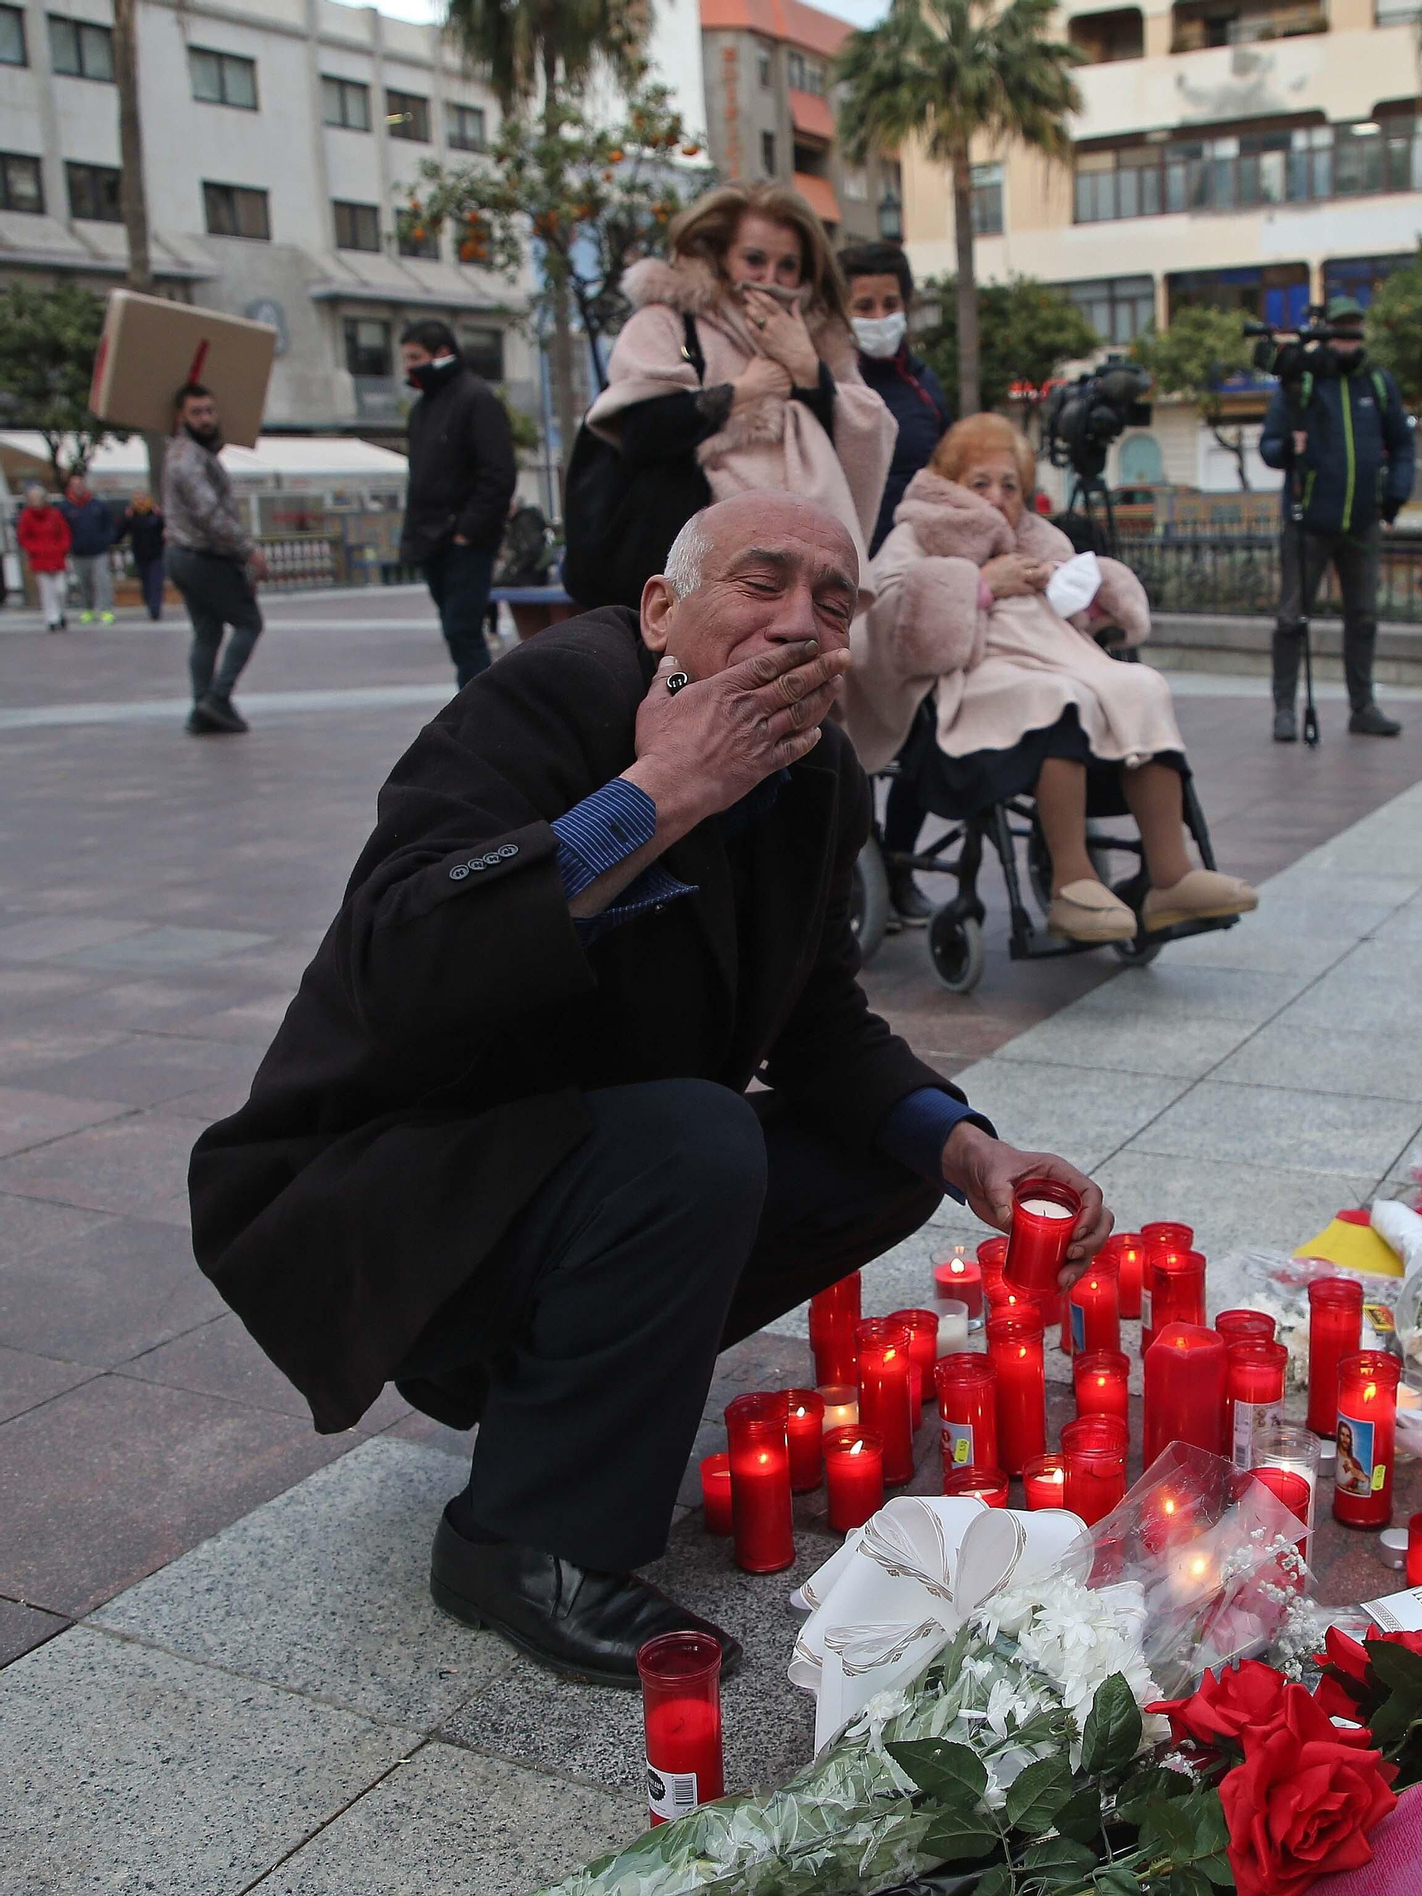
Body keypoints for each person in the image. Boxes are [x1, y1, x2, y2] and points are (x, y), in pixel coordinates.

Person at [188, 490, 1113, 1686]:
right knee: (694, 1138)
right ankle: (520, 1540)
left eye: (832, 606)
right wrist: (663, 788)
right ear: (664, 611)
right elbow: (401, 953)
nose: (796, 625)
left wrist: (967, 1152)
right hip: (386, 1185)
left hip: (574, 1163)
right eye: (760, 584)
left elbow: (817, 1015)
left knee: (871, 1163)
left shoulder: (818, 770)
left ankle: (562, 1382)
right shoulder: (550, 697)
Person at [849, 414, 1258, 945]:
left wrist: (1091, 590)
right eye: (981, 483)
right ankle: (1072, 881)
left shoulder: (1038, 537)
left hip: (1064, 664)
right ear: (952, 485)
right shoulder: (919, 532)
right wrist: (977, 584)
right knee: (1056, 699)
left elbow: (1087, 610)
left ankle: (1171, 876)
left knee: (1141, 686)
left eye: (1010, 485)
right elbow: (882, 620)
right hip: (973, 682)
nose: (997, 496)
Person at [584, 181, 895, 591]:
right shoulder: (668, 321)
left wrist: (807, 369)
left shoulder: (821, 338)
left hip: (801, 564)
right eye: (754, 260)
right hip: (691, 567)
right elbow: (640, 429)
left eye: (788, 265)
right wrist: (740, 391)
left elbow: (866, 433)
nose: (770, 278)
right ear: (720, 256)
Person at [838, 240, 952, 931]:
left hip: (916, 581)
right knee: (852, 741)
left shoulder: (924, 385)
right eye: (864, 306)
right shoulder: (834, 383)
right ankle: (865, 869)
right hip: (849, 586)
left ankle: (900, 867)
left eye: (889, 303)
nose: (880, 317)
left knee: (921, 729)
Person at [1259, 296, 1415, 742]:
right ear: (1326, 333)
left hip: (1362, 520)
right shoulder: (1301, 385)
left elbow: (1402, 443)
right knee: (1291, 618)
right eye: (1340, 329)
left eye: (1354, 329)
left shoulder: (1377, 384)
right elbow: (1270, 446)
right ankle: (1284, 710)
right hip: (1308, 520)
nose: (1348, 339)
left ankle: (1362, 707)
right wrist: (1290, 449)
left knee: (1363, 617)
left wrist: (1396, 495)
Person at [398, 319, 518, 690]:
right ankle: (479, 710)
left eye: (416, 357)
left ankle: (482, 713)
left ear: (441, 354)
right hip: (432, 539)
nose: (408, 366)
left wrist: (468, 531)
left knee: (462, 631)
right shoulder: (422, 409)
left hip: (463, 539)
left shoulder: (475, 398)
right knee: (457, 633)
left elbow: (498, 473)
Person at [163, 382, 266, 735]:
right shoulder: (187, 458)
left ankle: (201, 708)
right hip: (202, 556)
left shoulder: (191, 453)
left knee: (206, 632)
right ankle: (217, 699)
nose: (206, 418)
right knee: (249, 622)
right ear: (181, 416)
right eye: (197, 412)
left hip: (184, 555)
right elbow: (210, 513)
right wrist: (247, 550)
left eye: (209, 410)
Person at [59, 471, 120, 624]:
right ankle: (88, 610)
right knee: (83, 583)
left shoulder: (98, 505)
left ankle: (106, 610)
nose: (78, 488)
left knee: (103, 581)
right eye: (74, 485)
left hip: (99, 551)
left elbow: (110, 525)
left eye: (80, 484)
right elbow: (61, 529)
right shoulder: (65, 507)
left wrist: (107, 540)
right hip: (78, 552)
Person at [15, 484, 71, 632]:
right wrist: (34, 549)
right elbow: (24, 537)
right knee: (47, 591)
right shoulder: (26, 516)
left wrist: (62, 548)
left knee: (61, 589)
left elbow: (64, 533)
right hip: (40, 558)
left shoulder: (54, 514)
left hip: (56, 557)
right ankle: (51, 618)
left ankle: (61, 613)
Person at [119, 489, 166, 621]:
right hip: (140, 555)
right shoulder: (131, 515)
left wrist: (160, 516)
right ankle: (149, 603)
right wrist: (126, 518)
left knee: (156, 582)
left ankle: (155, 609)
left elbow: (165, 528)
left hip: (156, 554)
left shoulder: (155, 513)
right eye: (137, 498)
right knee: (145, 583)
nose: (140, 500)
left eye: (143, 497)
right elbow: (121, 532)